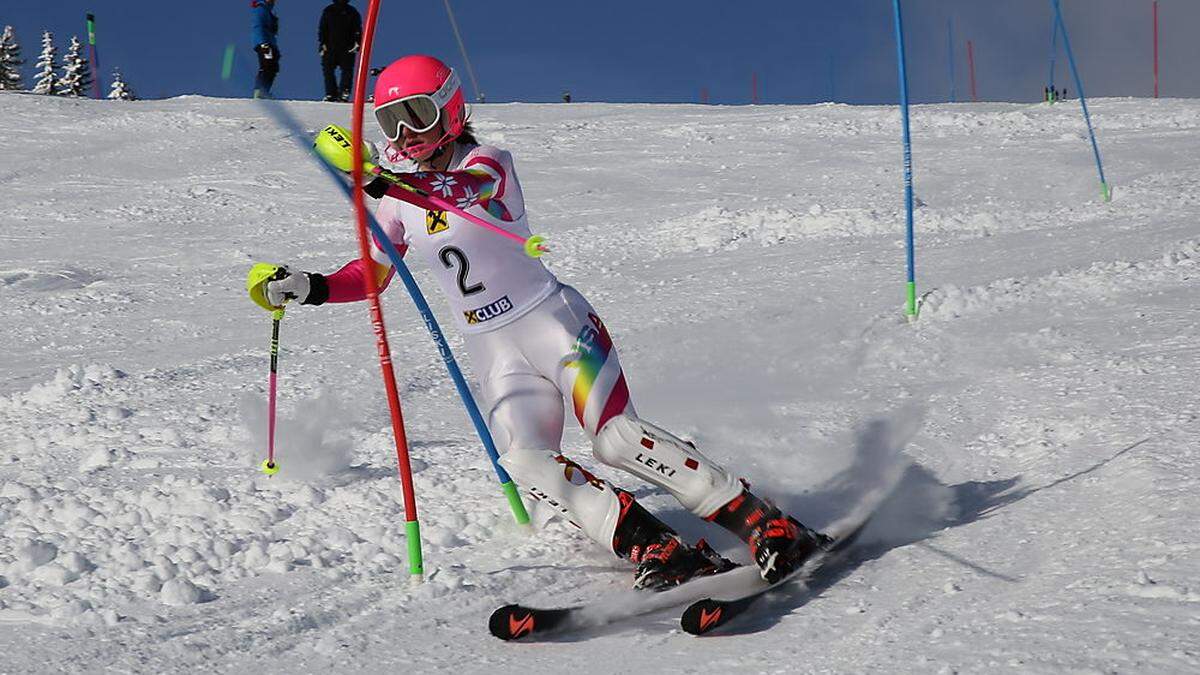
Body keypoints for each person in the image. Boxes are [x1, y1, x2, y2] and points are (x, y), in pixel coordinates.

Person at [259, 54, 831, 589]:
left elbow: (460, 194)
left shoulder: (488, 163)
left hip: (554, 325)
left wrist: (379, 178)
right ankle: (652, 545)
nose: (406, 136)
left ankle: (765, 523)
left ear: (451, 111)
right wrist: (305, 287)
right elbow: (371, 275)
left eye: (418, 116)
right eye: (392, 122)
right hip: (496, 352)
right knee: (524, 459)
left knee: (616, 440)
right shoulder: (394, 203)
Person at [319, 0, 361, 102]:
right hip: (330, 47)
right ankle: (331, 93)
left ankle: (344, 92)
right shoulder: (329, 10)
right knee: (329, 70)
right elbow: (323, 28)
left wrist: (357, 42)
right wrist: (322, 44)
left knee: (346, 70)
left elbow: (357, 29)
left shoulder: (351, 11)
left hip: (347, 47)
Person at [251, 0, 280, 98]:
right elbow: (258, 26)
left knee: (273, 67)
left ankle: (264, 91)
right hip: (264, 43)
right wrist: (263, 44)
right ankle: (259, 90)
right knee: (267, 65)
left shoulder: (269, 12)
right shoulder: (261, 9)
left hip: (270, 43)